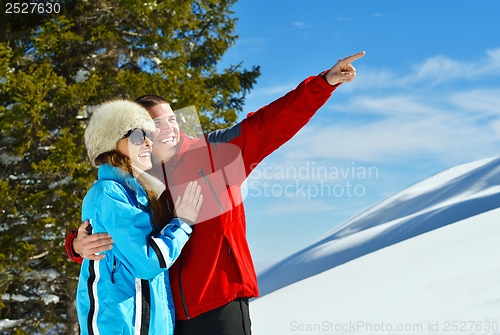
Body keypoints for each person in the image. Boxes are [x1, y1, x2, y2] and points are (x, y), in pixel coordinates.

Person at [66, 51, 365, 335]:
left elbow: (270, 125)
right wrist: (76, 247)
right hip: (170, 318)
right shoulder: (138, 181)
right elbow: (119, 234)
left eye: (172, 118)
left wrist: (324, 83)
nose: (169, 127)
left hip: (221, 304)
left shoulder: (214, 152)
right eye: (155, 124)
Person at [75, 99, 203, 335]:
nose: (147, 142)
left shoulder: (141, 194)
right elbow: (148, 262)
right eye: (136, 136)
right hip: (118, 327)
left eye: (147, 135)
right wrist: (182, 223)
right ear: (110, 144)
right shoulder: (108, 193)